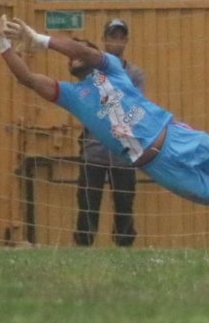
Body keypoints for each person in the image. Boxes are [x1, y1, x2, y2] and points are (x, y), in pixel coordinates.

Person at [0, 6, 209, 248]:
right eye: (71, 56)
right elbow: (25, 77)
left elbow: (84, 50)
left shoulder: (111, 69)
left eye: (82, 51)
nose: (75, 56)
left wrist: (37, 39)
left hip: (177, 136)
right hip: (156, 165)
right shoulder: (70, 94)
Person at [74, 18, 143, 247]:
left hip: (124, 153)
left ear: (126, 41)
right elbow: (87, 102)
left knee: (124, 205)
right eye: (111, 36)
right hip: (93, 151)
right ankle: (83, 247)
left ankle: (124, 248)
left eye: (120, 36)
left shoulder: (135, 74)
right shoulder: (91, 72)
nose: (116, 41)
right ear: (103, 40)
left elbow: (137, 107)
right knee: (87, 204)